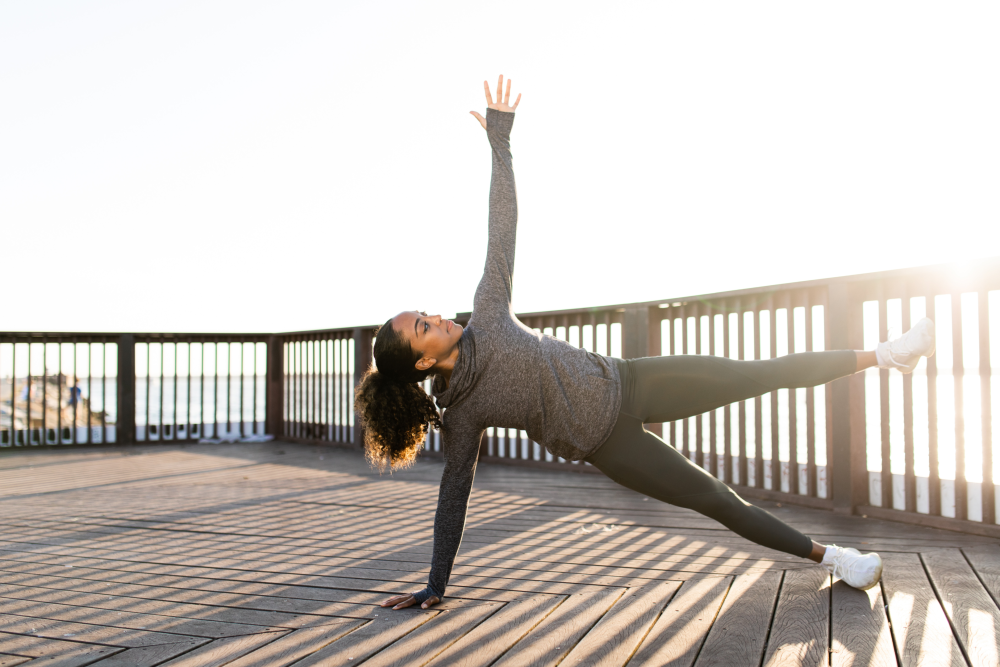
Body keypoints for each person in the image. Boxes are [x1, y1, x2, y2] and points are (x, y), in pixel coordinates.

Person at [357, 76, 937, 612]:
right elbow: (453, 497)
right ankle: (838, 560)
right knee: (715, 498)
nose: (435, 316)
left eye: (424, 313)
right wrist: (435, 585)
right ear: (425, 360)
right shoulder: (462, 413)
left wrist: (500, 143)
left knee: (756, 373)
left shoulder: (486, 309)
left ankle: (889, 354)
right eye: (423, 327)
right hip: (610, 444)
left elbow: (501, 224)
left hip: (631, 378)